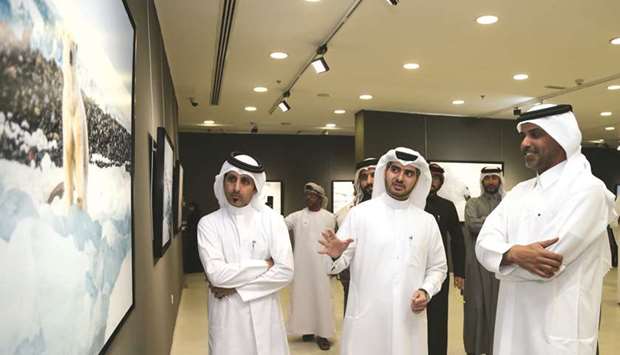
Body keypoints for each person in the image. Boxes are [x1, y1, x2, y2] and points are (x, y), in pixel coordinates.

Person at [475, 105, 617, 355]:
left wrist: (501, 258)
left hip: (559, 332)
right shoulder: (519, 191)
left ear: (563, 137)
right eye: (524, 135)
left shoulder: (588, 191)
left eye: (535, 134)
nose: (525, 143)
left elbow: (549, 263)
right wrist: (513, 254)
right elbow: (483, 243)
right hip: (512, 328)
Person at [320, 147, 447, 355]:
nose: (400, 177)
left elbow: (438, 267)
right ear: (385, 172)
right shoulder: (360, 215)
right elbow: (335, 266)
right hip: (367, 321)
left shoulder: (426, 221)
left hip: (408, 319)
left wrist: (426, 290)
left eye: (408, 173)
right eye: (395, 169)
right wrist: (335, 254)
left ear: (417, 179)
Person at [197, 152, 294, 355]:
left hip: (265, 313)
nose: (236, 188)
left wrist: (235, 289)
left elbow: (285, 271)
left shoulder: (273, 220)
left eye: (245, 181)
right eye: (231, 179)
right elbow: (217, 275)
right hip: (227, 317)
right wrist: (266, 265)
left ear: (256, 187)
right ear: (223, 181)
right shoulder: (208, 224)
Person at [285, 182, 336, 350]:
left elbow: (334, 241)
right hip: (301, 266)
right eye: (306, 195)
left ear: (320, 198)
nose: (308, 198)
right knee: (303, 297)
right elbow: (279, 227)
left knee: (322, 298)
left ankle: (323, 334)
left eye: (312, 195)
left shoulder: (330, 217)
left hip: (322, 266)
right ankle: (306, 329)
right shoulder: (296, 216)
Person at [463, 167, 505, 355]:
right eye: (487, 178)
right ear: (482, 182)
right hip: (478, 265)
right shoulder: (472, 202)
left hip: (503, 264)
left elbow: (511, 226)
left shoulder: (507, 202)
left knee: (500, 308)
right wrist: (498, 222)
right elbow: (472, 225)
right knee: (477, 308)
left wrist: (485, 221)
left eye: (494, 178)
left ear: (499, 181)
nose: (490, 182)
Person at [424, 163, 466, 355]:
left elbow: (458, 240)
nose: (432, 183)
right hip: (410, 268)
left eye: (437, 179)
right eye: (429, 177)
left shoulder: (447, 206)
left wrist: (459, 272)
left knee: (438, 317)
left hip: (438, 270)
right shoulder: (410, 203)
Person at [334, 157, 377, 313]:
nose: (369, 181)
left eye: (374, 175)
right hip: (354, 279)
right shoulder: (347, 212)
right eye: (364, 177)